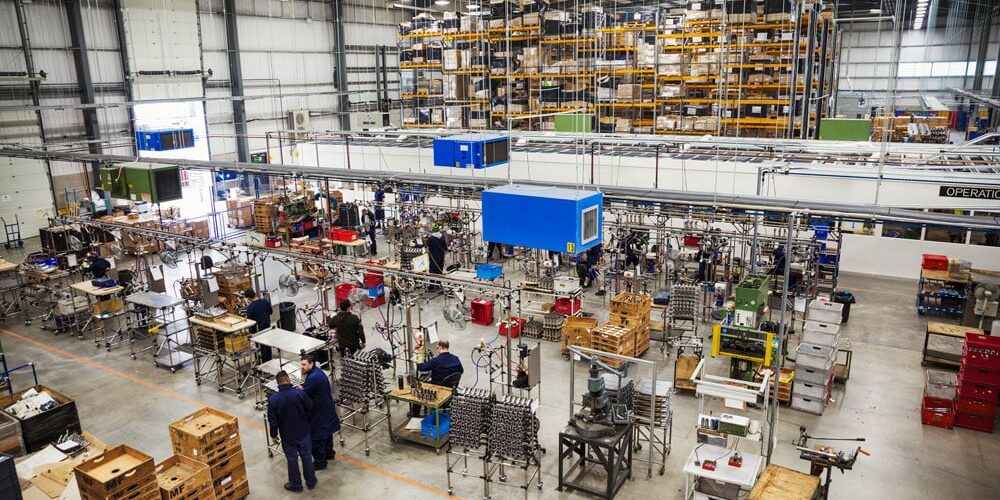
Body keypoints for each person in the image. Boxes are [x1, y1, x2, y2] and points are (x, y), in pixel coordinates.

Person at [267, 371, 317, 493]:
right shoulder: (299, 393)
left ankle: (296, 484)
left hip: (288, 435)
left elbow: (273, 421)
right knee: (306, 456)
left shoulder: (273, 400)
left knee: (292, 459)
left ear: (278, 383)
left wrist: (274, 435)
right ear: (288, 380)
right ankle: (311, 481)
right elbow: (310, 407)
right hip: (303, 431)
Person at [300, 354, 340, 469]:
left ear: (311, 364)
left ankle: (320, 462)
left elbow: (304, 393)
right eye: (301, 365)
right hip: (327, 408)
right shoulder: (318, 372)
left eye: (304, 365)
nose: (302, 367)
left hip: (319, 412)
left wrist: (300, 388)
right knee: (327, 434)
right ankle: (329, 454)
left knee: (317, 438)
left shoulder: (313, 378)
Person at [244, 289, 274, 361]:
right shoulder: (265, 301)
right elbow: (271, 311)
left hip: (258, 330)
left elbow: (249, 321)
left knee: (261, 347)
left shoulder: (250, 307)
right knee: (268, 344)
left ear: (248, 298)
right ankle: (269, 360)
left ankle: (263, 364)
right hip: (267, 327)